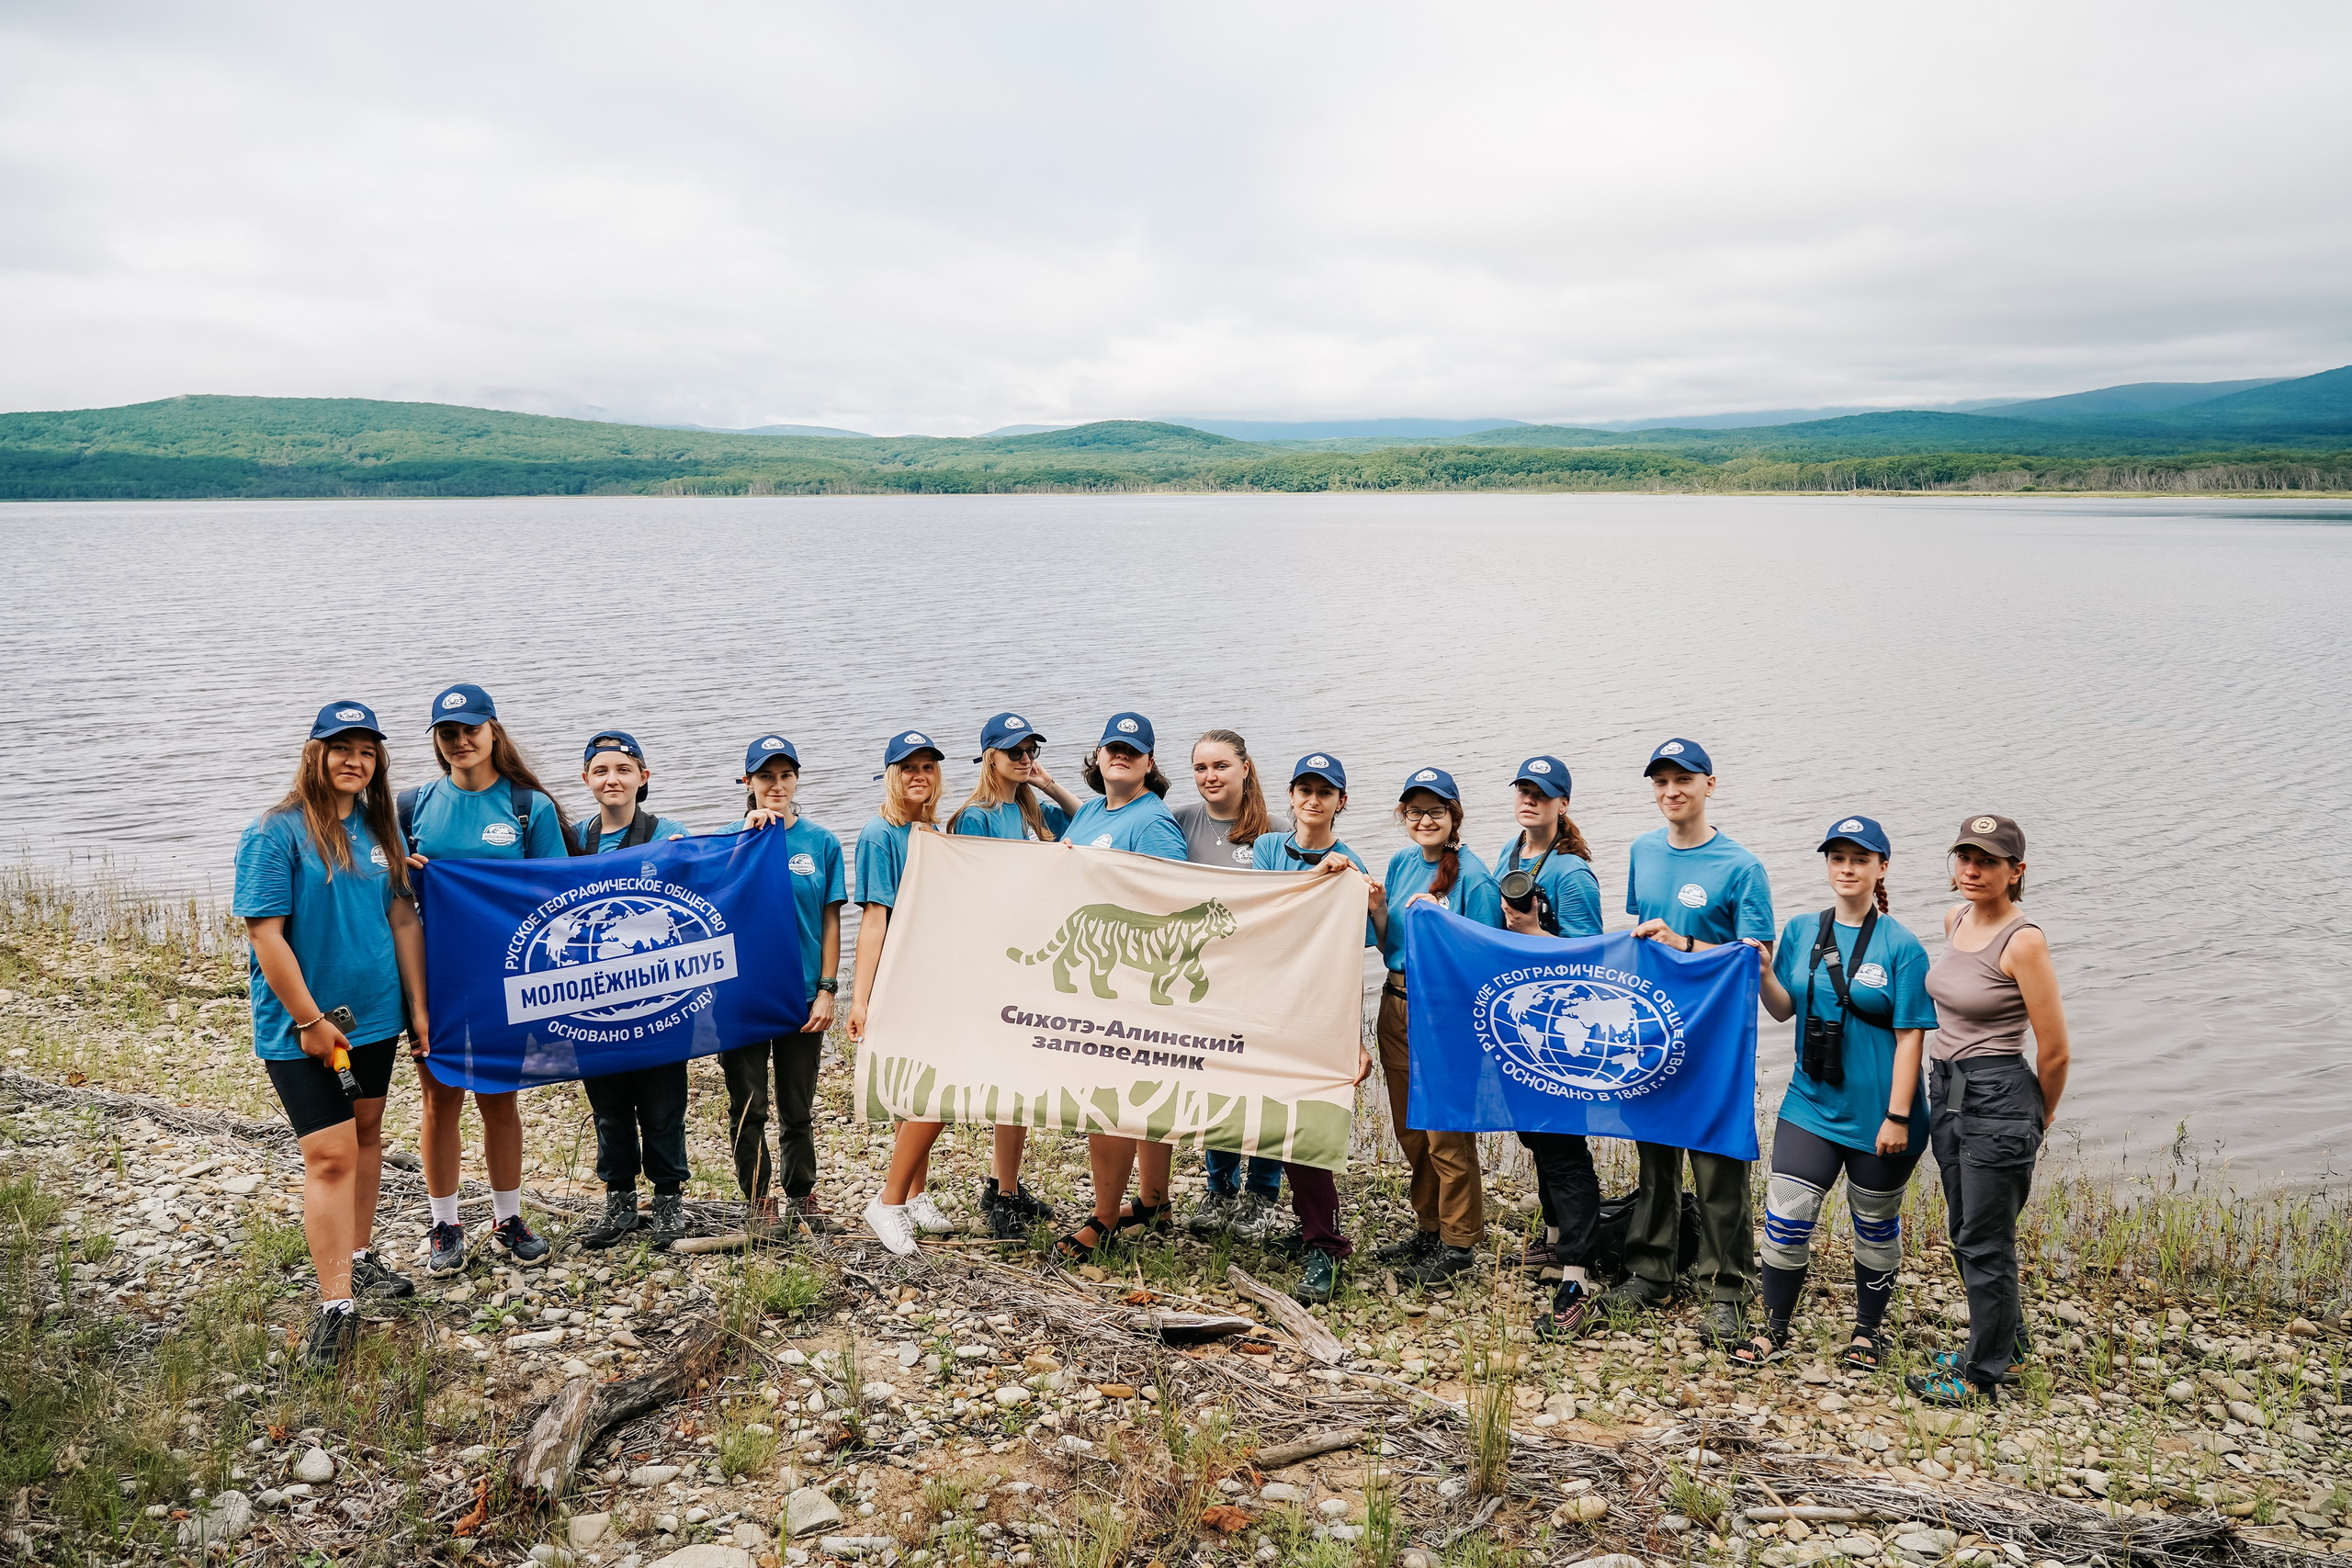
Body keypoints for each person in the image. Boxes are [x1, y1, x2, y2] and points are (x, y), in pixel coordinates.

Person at [233, 702, 429, 1370]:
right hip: (304, 1029)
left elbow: (402, 916)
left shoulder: (382, 827)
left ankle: (360, 1254)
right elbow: (265, 934)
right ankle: (335, 1306)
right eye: (341, 747)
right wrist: (312, 1022)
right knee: (329, 1156)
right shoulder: (276, 832)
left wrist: (418, 1006)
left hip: (374, 1018)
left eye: (367, 750)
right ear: (315, 753)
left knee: (368, 1135)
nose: (355, 760)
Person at [1736, 814, 1935, 1374]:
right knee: (1785, 1217)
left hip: (1883, 1116)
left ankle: (1868, 1332)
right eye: (1837, 858)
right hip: (1810, 1102)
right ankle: (1773, 1329)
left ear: (1881, 868)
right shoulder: (1802, 929)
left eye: (1860, 859)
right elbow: (1783, 1009)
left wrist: (1897, 1116)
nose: (1847, 868)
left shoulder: (1903, 947)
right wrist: (1764, 973)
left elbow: (1910, 1040)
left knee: (1874, 1226)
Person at [399, 682, 569, 1275]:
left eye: (471, 728)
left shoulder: (528, 807)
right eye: (448, 732)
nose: (461, 740)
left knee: (499, 1098)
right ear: (438, 742)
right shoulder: (411, 805)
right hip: (437, 979)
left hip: (505, 979)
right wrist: (410, 873)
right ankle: (444, 1223)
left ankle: (507, 1215)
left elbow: (558, 896)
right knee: (439, 1098)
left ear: (494, 730)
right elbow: (390, 899)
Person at [1612, 738, 1776, 1348]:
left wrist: (1685, 944)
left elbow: (1755, 960)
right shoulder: (1642, 850)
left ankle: (1725, 1286)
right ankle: (1650, 1270)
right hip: (1650, 1032)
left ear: (1711, 783)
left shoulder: (1741, 867)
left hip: (1714, 1040)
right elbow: (1639, 935)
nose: (1671, 791)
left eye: (1683, 779)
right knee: (1654, 1160)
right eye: (1660, 781)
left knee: (1717, 1165)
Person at [1913, 814, 2070, 1406]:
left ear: (2016, 871)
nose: (1973, 871)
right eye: (1964, 858)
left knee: (1985, 1236)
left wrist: (2040, 1115)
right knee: (1967, 1228)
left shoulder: (2023, 940)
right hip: (1947, 1089)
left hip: (1999, 1094)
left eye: (1988, 861)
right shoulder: (1954, 919)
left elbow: (2054, 1050)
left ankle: (1984, 1373)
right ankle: (2006, 1339)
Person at [1050, 712, 1191, 1262]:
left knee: (1105, 1095)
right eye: (1113, 747)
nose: (1121, 756)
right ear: (1099, 755)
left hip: (1128, 977)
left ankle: (1104, 1220)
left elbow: (1174, 899)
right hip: (1095, 972)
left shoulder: (1152, 821)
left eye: (1133, 750)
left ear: (1150, 763)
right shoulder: (1086, 812)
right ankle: (1154, 1202)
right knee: (1142, 1090)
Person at [1250, 752, 1380, 1302]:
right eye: (1304, 789)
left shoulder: (1350, 868)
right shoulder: (1265, 849)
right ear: (1291, 796)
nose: (1312, 800)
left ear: (1340, 802)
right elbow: (1258, 914)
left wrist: (1352, 1037)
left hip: (1314, 1011)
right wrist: (1310, 879)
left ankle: (1324, 1246)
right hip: (1261, 1002)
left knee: (1309, 1128)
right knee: (1253, 1113)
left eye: (1324, 792)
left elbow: (1348, 961)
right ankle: (1240, 1204)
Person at [945, 712, 1080, 1240]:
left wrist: (1047, 784)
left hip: (1035, 958)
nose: (1023, 760)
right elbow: (974, 893)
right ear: (989, 758)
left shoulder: (1034, 808)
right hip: (998, 960)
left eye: (1030, 752)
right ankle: (1000, 1196)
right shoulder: (975, 816)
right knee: (1004, 1077)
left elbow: (1090, 819)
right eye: (1012, 753)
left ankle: (1008, 1183)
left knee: (1021, 1077)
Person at [1490, 755, 1608, 1338]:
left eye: (1543, 794)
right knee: (1536, 1137)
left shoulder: (1571, 874)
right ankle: (1557, 1235)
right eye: (1523, 791)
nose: (1530, 801)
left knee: (1564, 1148)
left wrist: (1538, 934)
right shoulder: (1508, 859)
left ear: (1563, 803)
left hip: (1564, 1033)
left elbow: (1592, 957)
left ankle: (1579, 1272)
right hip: (1521, 1025)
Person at [1372, 766, 1502, 1285]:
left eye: (1436, 811)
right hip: (1396, 1002)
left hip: (1446, 1012)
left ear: (1454, 816)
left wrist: (1444, 921)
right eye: (1415, 811)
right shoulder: (1403, 862)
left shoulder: (1474, 876)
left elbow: (1489, 958)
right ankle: (1428, 1225)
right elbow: (1390, 947)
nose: (1425, 820)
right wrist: (1380, 911)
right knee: (1409, 1126)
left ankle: (1458, 1242)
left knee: (1445, 1130)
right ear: (1403, 816)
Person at [568, 731, 695, 1250]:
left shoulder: (671, 834)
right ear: (587, 781)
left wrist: (756, 823)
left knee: (664, 1103)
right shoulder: (574, 839)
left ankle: (667, 1201)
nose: (611, 778)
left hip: (662, 996)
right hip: (592, 998)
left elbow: (705, 890)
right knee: (609, 1105)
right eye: (601, 771)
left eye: (623, 768)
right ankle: (619, 1200)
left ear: (644, 777)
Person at [720, 734, 848, 1242]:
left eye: (785, 776)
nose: (776, 785)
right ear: (748, 783)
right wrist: (747, 842)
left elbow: (831, 922)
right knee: (746, 1103)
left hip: (800, 993)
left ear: (796, 780)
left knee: (797, 1104)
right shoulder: (729, 838)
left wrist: (827, 989)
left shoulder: (821, 842)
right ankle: (756, 1198)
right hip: (744, 996)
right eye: (765, 777)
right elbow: (714, 905)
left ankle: (802, 1193)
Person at [1174, 729, 1286, 1242]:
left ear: (1245, 767)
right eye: (1200, 768)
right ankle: (1219, 1189)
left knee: (1263, 1085)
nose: (1210, 777)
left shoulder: (1278, 832)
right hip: (1208, 982)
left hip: (1263, 981)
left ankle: (1262, 1196)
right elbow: (1118, 839)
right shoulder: (1179, 822)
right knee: (1217, 1080)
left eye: (1220, 766)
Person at [854, 728, 961, 1255]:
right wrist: (860, 996)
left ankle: (916, 1195)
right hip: (902, 979)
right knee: (932, 1093)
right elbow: (875, 919)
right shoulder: (881, 833)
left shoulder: (932, 831)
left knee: (916, 1090)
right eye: (908, 767)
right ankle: (889, 1202)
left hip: (935, 975)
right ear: (891, 775)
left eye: (928, 767)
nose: (919, 775)